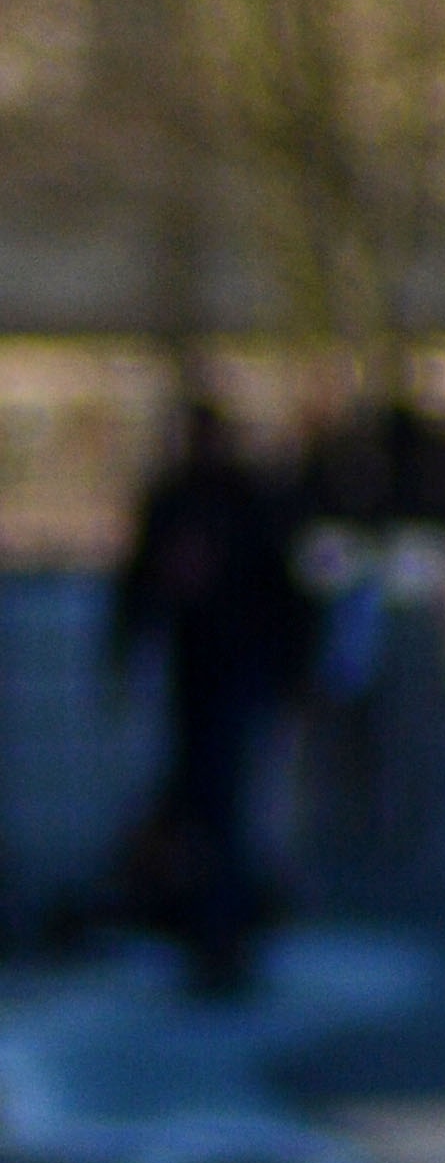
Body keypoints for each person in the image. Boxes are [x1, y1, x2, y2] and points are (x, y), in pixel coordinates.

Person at [110, 393, 317, 989]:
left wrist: (291, 671)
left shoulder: (246, 502)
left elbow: (284, 590)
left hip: (240, 671)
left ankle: (224, 928)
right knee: (198, 798)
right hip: (192, 673)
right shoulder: (175, 501)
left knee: (225, 800)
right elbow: (141, 585)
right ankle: (208, 926)